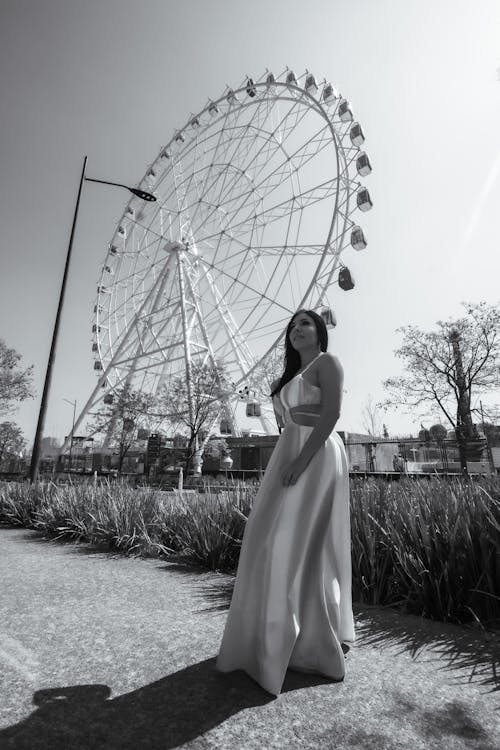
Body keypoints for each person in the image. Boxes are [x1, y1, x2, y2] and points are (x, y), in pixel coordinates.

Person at [216, 309, 355, 696]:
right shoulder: (289, 378)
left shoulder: (329, 363)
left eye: (305, 324)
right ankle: (282, 635)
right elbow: (288, 420)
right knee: (269, 536)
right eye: (292, 327)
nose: (297, 331)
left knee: (294, 539)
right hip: (289, 450)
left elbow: (331, 415)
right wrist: (289, 457)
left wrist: (301, 460)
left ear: (320, 331)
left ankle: (306, 642)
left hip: (316, 452)